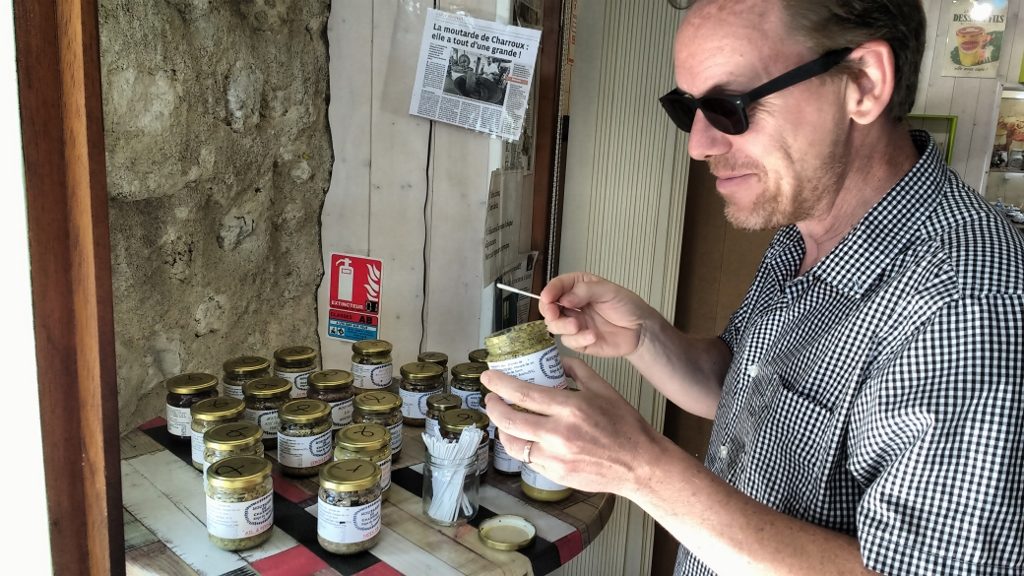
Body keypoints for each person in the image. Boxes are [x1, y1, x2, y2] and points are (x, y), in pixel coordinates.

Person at [481, 0, 1024, 574]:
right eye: (686, 107)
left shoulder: (971, 307)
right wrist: (645, 337)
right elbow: (744, 390)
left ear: (863, 83)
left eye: (729, 107)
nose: (699, 145)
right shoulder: (803, 237)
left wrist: (639, 468)